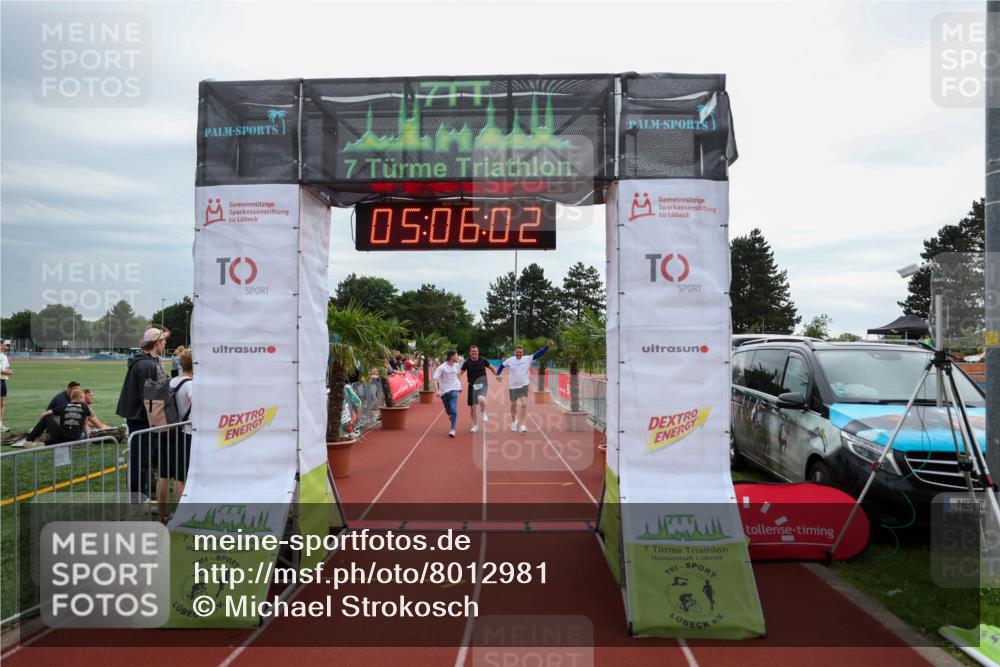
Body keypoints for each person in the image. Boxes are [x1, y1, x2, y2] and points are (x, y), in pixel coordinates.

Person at [116, 327, 169, 499]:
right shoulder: (147, 365)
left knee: (143, 459)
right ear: (156, 343)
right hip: (142, 418)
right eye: (163, 341)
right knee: (141, 461)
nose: (165, 344)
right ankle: (138, 499)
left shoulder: (145, 361)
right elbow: (150, 399)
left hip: (138, 417)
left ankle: (142, 495)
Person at [158, 346, 193, 523]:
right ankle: (182, 519)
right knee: (181, 478)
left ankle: (163, 514)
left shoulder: (171, 381)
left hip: (166, 431)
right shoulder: (191, 385)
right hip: (183, 434)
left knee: (163, 475)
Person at [496, 340, 554, 433]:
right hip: (513, 386)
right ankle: (514, 422)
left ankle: (522, 425)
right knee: (513, 405)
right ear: (515, 352)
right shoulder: (510, 360)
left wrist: (546, 347)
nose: (519, 353)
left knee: (524, 404)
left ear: (523, 353)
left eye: (520, 352)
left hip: (523, 385)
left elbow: (538, 354)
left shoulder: (527, 359)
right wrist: (497, 375)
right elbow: (501, 367)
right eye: (517, 352)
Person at [12, 381, 81, 447]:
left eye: (78, 390)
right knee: (48, 418)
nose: (77, 392)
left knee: (46, 417)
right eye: (75, 390)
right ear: (69, 388)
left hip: (63, 431)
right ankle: (38, 437)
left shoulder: (71, 402)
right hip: (61, 428)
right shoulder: (61, 400)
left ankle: (30, 439)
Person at [460, 345, 497, 433]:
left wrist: (497, 375)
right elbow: (460, 373)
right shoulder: (467, 362)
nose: (474, 353)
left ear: (478, 352)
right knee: (472, 408)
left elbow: (492, 368)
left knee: (482, 399)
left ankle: (483, 411)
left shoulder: (483, 360)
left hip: (483, 384)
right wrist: (457, 383)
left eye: (475, 351)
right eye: (472, 351)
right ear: (470, 353)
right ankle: (475, 425)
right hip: (472, 386)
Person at [433, 349, 462, 438]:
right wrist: (437, 390)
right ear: (451, 356)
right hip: (444, 391)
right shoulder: (442, 367)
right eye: (456, 355)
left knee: (453, 409)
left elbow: (458, 375)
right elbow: (435, 379)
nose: (458, 357)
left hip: (454, 389)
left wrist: (459, 385)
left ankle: (453, 429)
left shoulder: (456, 365)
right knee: (448, 410)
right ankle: (451, 416)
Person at [0, 339, 11, 432]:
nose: (4, 346)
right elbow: (2, 370)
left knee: (2, 403)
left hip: (3, 380)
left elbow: (7, 368)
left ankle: (1, 424)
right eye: (3, 345)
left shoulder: (4, 356)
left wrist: (9, 371)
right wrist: (6, 372)